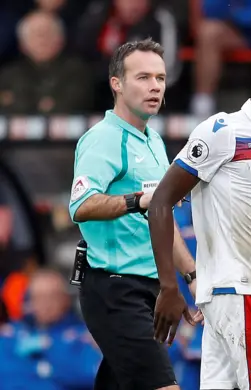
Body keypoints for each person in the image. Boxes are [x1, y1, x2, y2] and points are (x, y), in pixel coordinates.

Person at [147, 47, 251, 390]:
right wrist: (169, 286)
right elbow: (160, 201)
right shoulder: (225, 130)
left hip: (234, 300)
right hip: (246, 297)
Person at [68, 39, 200, 390]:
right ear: (117, 83)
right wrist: (136, 200)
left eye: (160, 78)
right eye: (143, 77)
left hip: (152, 290)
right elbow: (81, 206)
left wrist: (191, 276)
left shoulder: (154, 141)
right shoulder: (102, 140)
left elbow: (161, 217)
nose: (155, 86)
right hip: (115, 290)